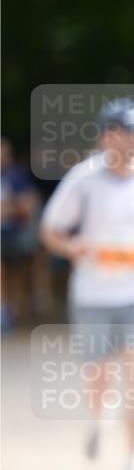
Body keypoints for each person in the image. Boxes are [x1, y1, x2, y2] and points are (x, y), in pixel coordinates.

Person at [40, 98, 134, 470]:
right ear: (108, 135)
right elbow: (51, 231)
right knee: (99, 376)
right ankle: (98, 417)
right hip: (94, 293)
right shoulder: (84, 178)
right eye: (127, 132)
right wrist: (75, 247)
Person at [1, 137, 41, 331]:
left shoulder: (17, 175)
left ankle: (10, 311)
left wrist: (10, 209)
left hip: (14, 234)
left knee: (17, 269)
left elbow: (29, 204)